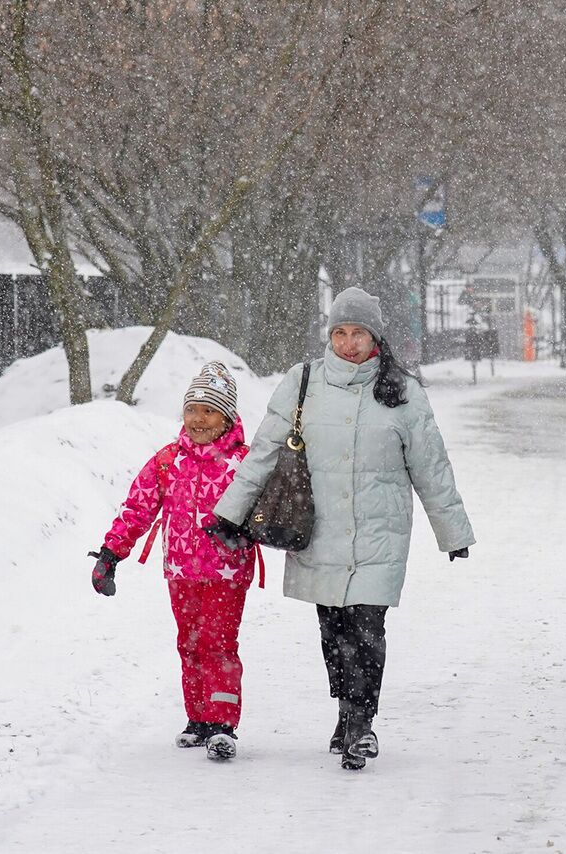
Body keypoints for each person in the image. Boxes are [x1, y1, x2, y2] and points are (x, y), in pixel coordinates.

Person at [208, 286, 474, 771]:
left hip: (380, 534)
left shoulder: (404, 392)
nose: (349, 343)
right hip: (319, 530)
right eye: (340, 333)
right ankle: (345, 711)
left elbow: (431, 467)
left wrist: (452, 531)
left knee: (368, 628)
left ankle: (361, 724)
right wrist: (230, 513)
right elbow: (264, 451)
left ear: (375, 337)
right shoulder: (302, 382)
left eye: (358, 333)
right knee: (334, 632)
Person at [89, 362, 257, 761]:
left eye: (209, 411)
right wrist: (111, 553)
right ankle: (197, 719)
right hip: (180, 571)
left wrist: (245, 531)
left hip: (226, 572)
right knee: (190, 644)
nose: (198, 419)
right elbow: (137, 508)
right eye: (191, 410)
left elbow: (266, 511)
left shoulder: (244, 464)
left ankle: (222, 724)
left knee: (218, 644)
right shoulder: (168, 461)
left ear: (228, 415)